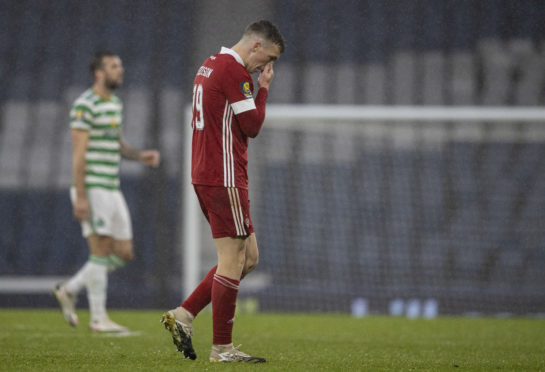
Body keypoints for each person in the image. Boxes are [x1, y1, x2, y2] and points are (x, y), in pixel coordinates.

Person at [161, 20, 285, 363]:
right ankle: (222, 349)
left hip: (208, 173)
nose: (265, 67)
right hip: (224, 175)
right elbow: (253, 126)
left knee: (249, 259)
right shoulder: (235, 72)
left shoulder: (209, 64)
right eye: (268, 58)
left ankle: (184, 315)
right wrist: (263, 89)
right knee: (232, 260)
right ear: (256, 46)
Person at [54, 50, 161, 332]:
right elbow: (78, 155)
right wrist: (80, 195)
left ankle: (70, 288)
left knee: (124, 252)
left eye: (121, 66)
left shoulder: (114, 103)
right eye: (114, 66)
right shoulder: (84, 105)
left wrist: (140, 156)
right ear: (99, 73)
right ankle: (99, 318)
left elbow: (118, 145)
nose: (120, 70)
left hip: (112, 187)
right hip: (92, 186)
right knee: (100, 251)